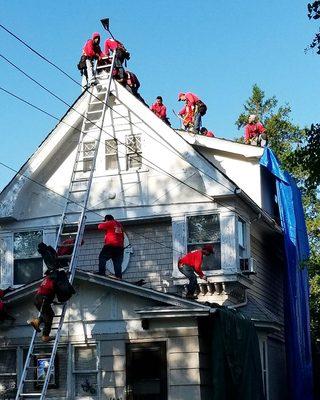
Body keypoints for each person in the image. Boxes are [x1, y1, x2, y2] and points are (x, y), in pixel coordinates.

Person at [28, 270, 56, 342]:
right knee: (49, 316)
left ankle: (37, 322)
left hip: (38, 299)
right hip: (43, 300)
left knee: (46, 314)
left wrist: (51, 300)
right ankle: (45, 336)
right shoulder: (51, 280)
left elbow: (47, 290)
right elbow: (54, 289)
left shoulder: (46, 279)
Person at [97, 215, 124, 279]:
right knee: (117, 263)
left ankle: (101, 272)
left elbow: (99, 226)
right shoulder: (119, 225)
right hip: (120, 247)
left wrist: (104, 222)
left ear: (107, 219)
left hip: (111, 244)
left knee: (102, 257)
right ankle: (119, 276)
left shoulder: (110, 222)